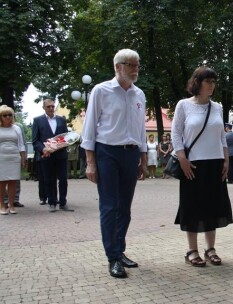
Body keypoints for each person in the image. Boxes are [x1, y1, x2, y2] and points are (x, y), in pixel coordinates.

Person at [81, 49, 147, 278]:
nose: (136, 68)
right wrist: (90, 162)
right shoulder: (101, 91)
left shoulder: (139, 94)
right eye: (131, 65)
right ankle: (112, 257)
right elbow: (89, 127)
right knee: (110, 206)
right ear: (118, 67)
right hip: (107, 152)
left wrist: (143, 157)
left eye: (137, 64)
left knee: (125, 208)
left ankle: (119, 250)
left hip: (130, 154)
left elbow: (140, 129)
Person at [171, 66, 233, 268]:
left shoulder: (217, 107)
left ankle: (210, 249)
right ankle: (192, 250)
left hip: (215, 162)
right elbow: (176, 133)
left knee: (212, 205)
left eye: (214, 82)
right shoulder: (183, 105)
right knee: (192, 206)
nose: (212, 86)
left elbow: (221, 136)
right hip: (193, 164)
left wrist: (226, 160)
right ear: (198, 83)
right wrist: (182, 158)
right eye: (208, 82)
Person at [32, 99, 72, 212]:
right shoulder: (38, 120)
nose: (51, 108)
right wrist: (43, 149)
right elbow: (35, 140)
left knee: (63, 179)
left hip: (61, 155)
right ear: (44, 107)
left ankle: (63, 202)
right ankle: (52, 202)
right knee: (49, 180)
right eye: (48, 106)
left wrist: (64, 143)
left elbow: (66, 137)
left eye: (52, 106)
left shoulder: (61, 120)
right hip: (47, 155)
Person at [0, 106, 26, 215]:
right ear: (1, 117)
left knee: (13, 181)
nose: (7, 117)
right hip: (1, 157)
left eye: (10, 115)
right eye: (4, 115)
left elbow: (21, 144)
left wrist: (23, 158)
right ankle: (2, 205)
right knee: (1, 182)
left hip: (14, 156)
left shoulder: (17, 128)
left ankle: (11, 205)